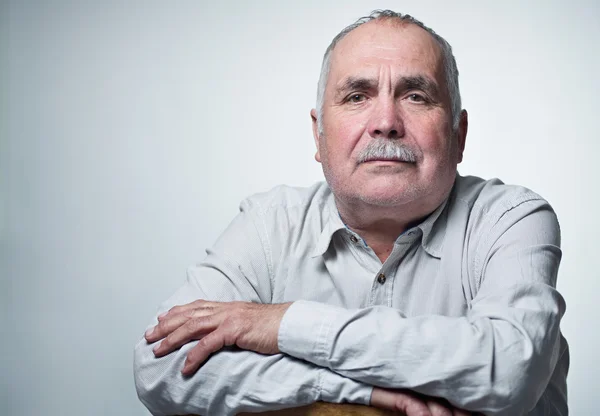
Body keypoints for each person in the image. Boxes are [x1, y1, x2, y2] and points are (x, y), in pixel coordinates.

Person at [133, 10, 568, 416]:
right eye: (357, 96)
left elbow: (510, 366)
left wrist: (283, 323)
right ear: (318, 135)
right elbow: (160, 368)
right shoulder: (270, 225)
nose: (385, 121)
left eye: (416, 96)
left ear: (459, 134)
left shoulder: (510, 218)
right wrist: (345, 387)